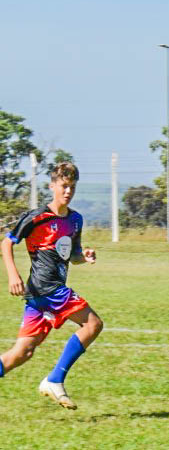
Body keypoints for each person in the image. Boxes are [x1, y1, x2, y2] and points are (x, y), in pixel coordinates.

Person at [1, 161, 102, 408]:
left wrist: (83, 256)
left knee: (21, 354)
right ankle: (55, 379)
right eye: (64, 186)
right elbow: (6, 243)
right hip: (48, 289)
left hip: (40, 296)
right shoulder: (37, 217)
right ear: (53, 186)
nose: (68, 192)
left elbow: (72, 254)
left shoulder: (76, 220)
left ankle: (53, 380)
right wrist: (13, 275)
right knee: (93, 324)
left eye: (72, 187)